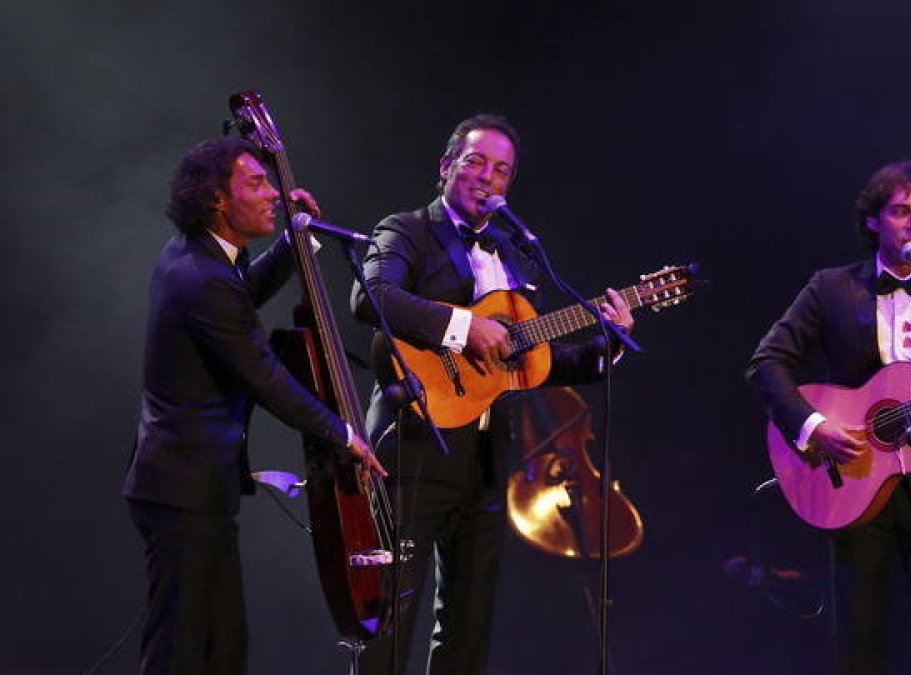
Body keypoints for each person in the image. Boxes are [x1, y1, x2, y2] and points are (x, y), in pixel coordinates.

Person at [352, 113, 634, 674]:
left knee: (468, 622)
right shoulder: (405, 229)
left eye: (502, 171)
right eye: (476, 162)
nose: (488, 177)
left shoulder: (515, 255)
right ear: (446, 166)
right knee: (391, 616)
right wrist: (462, 328)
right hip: (413, 443)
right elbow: (372, 297)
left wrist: (608, 345)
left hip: (486, 458)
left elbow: (527, 366)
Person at [122, 137, 385, 675]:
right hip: (182, 492)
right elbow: (266, 376)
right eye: (257, 183)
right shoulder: (201, 279)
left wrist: (296, 243)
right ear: (218, 199)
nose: (276, 193)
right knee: (181, 650)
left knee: (223, 649)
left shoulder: (199, 257)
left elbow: (241, 295)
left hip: (194, 488)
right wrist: (344, 435)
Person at [746, 160, 911, 675]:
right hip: (854, 481)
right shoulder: (830, 288)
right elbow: (768, 361)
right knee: (860, 636)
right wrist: (811, 427)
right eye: (901, 212)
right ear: (873, 221)